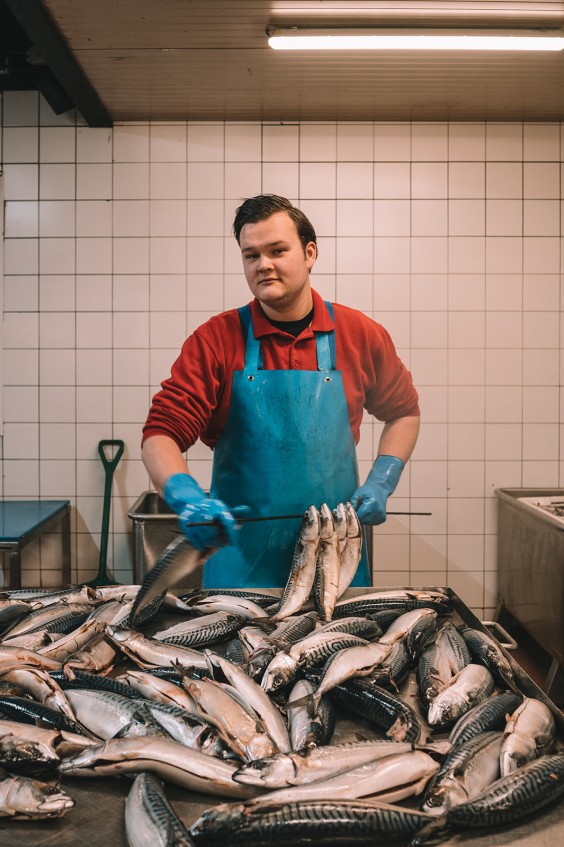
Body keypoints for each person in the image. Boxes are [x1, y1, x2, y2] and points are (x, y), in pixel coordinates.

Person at [141, 194, 420, 589]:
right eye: (250, 255)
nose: (263, 265)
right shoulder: (216, 339)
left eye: (277, 251)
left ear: (309, 253)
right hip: (240, 559)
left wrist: (382, 479)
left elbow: (404, 412)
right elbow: (160, 435)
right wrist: (186, 496)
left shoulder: (360, 334)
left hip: (333, 553)